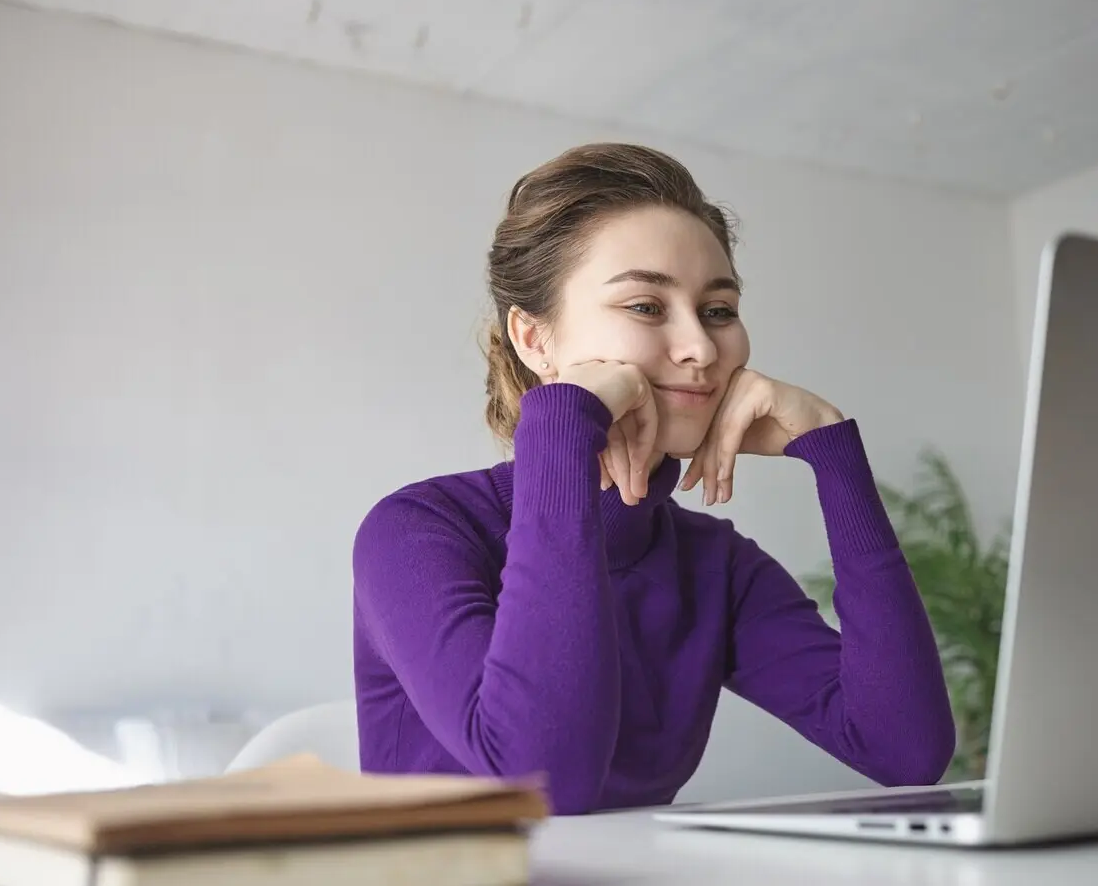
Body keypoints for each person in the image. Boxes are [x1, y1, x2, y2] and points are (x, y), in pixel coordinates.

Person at [352, 142, 955, 815]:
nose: (700, 347)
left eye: (719, 310)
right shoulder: (416, 531)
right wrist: (559, 429)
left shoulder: (715, 565)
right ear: (534, 339)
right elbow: (546, 784)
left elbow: (907, 750)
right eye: (645, 306)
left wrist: (833, 453)